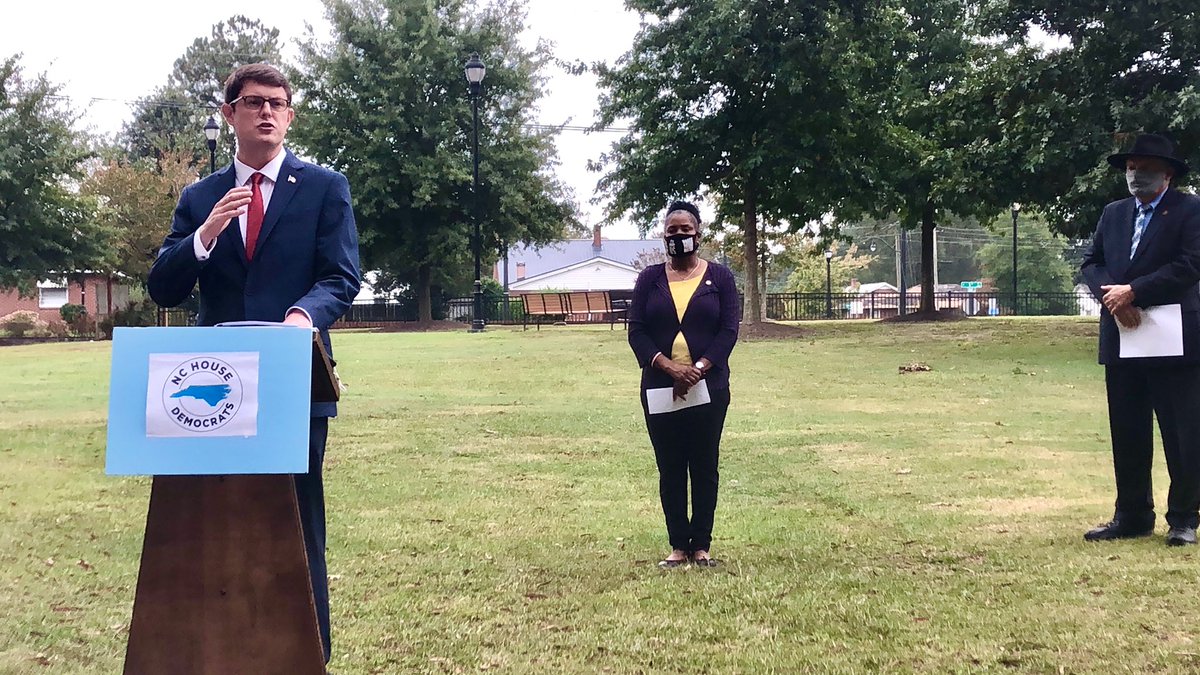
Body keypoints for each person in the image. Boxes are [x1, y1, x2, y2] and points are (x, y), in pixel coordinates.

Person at [147, 63, 360, 661]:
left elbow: (341, 276)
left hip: (296, 381)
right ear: (229, 114)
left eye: (277, 103)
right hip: (215, 391)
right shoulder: (200, 198)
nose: (267, 111)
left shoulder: (324, 188)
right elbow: (163, 287)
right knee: (217, 522)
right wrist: (205, 234)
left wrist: (300, 319)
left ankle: (309, 654)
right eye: (253, 102)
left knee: (297, 522)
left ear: (289, 116)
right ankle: (220, 650)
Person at [1080, 132, 1200, 546]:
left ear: (1167, 174)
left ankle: (1183, 519)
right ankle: (1131, 516)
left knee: (1182, 433)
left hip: (1173, 336)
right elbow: (1092, 263)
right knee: (1127, 430)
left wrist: (1134, 291)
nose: (1135, 175)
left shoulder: (1189, 210)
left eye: (1145, 168)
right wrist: (1113, 298)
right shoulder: (1113, 213)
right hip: (1123, 333)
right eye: (1131, 168)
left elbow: (1191, 264)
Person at [628, 200, 740, 567]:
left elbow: (728, 330)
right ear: (664, 236)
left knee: (704, 465)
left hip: (710, 388)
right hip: (660, 388)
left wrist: (699, 368)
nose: (678, 236)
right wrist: (668, 367)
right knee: (670, 466)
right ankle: (678, 546)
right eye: (671, 231)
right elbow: (637, 331)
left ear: (698, 234)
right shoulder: (649, 279)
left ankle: (701, 546)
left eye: (685, 230)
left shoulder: (720, 278)